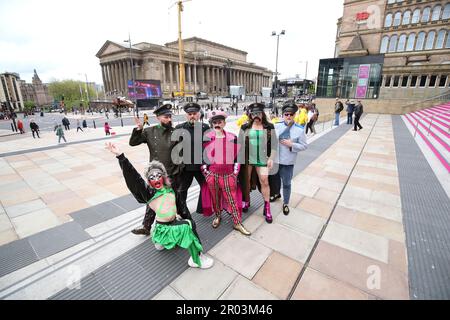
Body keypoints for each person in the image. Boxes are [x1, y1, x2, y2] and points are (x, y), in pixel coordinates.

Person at [105, 142, 214, 269]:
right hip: (161, 230)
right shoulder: (149, 193)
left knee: (188, 223)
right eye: (152, 177)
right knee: (187, 227)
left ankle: (165, 241)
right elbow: (134, 178)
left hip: (171, 225)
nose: (156, 179)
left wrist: (189, 222)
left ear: (163, 176)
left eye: (158, 175)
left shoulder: (172, 190)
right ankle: (197, 259)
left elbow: (183, 209)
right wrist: (121, 157)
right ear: (149, 180)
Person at [129, 104, 185, 235]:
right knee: (153, 199)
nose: (169, 119)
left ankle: (181, 223)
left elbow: (182, 154)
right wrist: (138, 129)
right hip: (156, 175)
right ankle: (146, 227)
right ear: (158, 117)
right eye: (166, 117)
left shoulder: (175, 133)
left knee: (174, 200)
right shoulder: (150, 132)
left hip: (172, 174)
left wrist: (178, 171)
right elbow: (133, 142)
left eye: (170, 116)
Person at [201, 110, 251, 236]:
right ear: (212, 124)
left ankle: (237, 222)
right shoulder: (207, 138)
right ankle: (218, 216)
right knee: (215, 198)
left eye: (220, 122)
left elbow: (238, 158)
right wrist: (206, 174)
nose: (217, 124)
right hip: (213, 175)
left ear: (224, 123)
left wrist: (234, 173)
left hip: (228, 175)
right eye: (215, 122)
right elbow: (202, 159)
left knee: (232, 200)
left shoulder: (232, 138)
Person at [238, 103, 276, 224]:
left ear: (262, 114)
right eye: (254, 113)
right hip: (248, 159)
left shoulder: (269, 127)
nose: (256, 116)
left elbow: (274, 144)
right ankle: (247, 200)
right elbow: (239, 144)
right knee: (246, 180)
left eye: (258, 113)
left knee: (264, 181)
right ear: (250, 114)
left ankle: (267, 207)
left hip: (263, 159)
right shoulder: (245, 127)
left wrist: (271, 158)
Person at [172, 103, 210, 217]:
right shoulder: (179, 128)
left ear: (198, 115)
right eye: (190, 114)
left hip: (200, 166)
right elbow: (174, 147)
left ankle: (202, 208)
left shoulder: (205, 128)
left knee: (205, 187)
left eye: (194, 114)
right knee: (182, 190)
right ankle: (181, 210)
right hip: (185, 167)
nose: (192, 116)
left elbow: (209, 146)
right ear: (186, 116)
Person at [272, 102, 308, 215]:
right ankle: (277, 194)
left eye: (291, 114)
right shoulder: (276, 126)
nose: (288, 116)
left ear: (294, 115)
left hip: (288, 162)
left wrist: (291, 144)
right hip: (275, 161)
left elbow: (304, 146)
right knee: (275, 182)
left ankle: (286, 203)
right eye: (286, 114)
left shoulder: (299, 129)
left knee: (286, 183)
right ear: (283, 115)